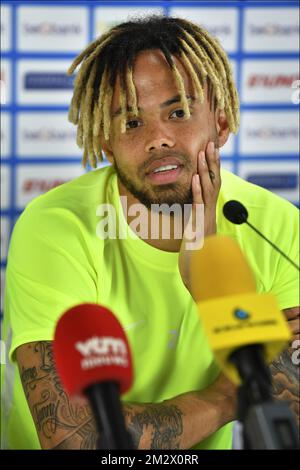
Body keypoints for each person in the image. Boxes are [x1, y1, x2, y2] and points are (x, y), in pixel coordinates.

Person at [1, 15, 299, 450]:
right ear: (107, 143)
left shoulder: (275, 226)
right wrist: (230, 394)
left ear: (220, 122)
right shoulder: (54, 226)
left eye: (178, 112)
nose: (158, 139)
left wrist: (208, 286)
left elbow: (288, 413)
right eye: (132, 123)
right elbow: (76, 441)